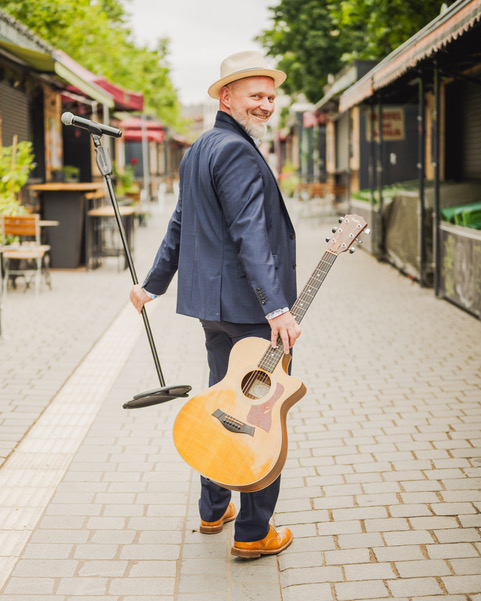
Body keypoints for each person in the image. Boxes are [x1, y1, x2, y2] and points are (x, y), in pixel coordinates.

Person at [130, 50, 301, 559]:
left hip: (214, 309)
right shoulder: (238, 151)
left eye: (271, 97)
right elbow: (249, 232)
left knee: (222, 404)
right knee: (260, 414)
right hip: (251, 309)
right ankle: (253, 532)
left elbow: (180, 223)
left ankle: (212, 509)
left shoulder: (200, 149)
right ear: (226, 96)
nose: (266, 105)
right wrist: (276, 308)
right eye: (256, 95)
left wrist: (152, 284)